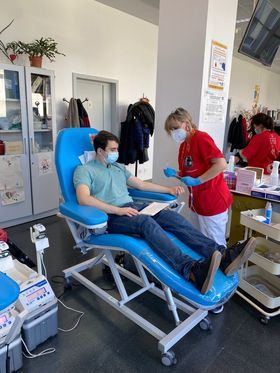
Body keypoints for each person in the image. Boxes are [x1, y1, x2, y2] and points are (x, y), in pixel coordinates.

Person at [73, 130, 256, 295]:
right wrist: (118, 210)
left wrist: (168, 190)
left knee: (169, 216)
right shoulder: (84, 170)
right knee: (146, 223)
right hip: (110, 217)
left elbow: (142, 184)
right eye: (112, 149)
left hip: (132, 207)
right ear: (99, 151)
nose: (116, 153)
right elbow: (84, 198)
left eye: (116, 149)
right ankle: (190, 270)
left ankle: (222, 255)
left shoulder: (118, 168)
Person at [164, 108, 232, 247]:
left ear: (187, 124)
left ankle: (222, 267)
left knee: (215, 243)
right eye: (171, 130)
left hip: (213, 200)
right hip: (196, 203)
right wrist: (176, 174)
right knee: (197, 241)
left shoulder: (201, 138)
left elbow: (221, 164)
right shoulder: (184, 145)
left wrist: (198, 180)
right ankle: (204, 267)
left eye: (176, 128)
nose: (173, 132)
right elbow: (189, 174)